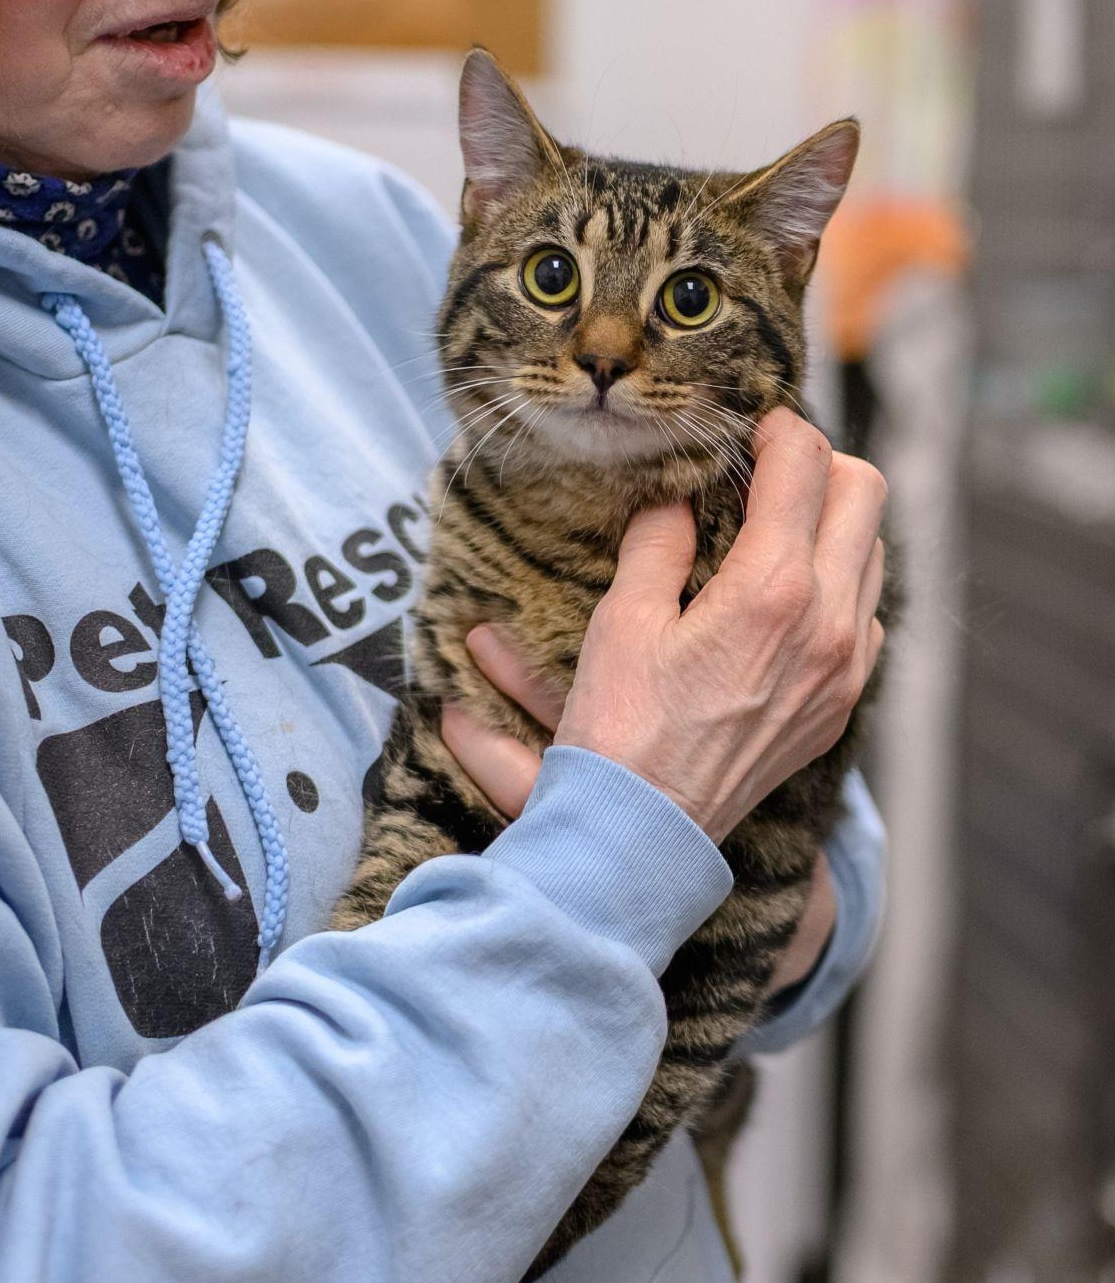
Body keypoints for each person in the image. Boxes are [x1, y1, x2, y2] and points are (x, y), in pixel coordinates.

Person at [0, 3, 888, 1280]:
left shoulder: (365, 223)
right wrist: (624, 857)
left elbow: (831, 871)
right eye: (560, 288)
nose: (600, 345)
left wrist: (765, 888)